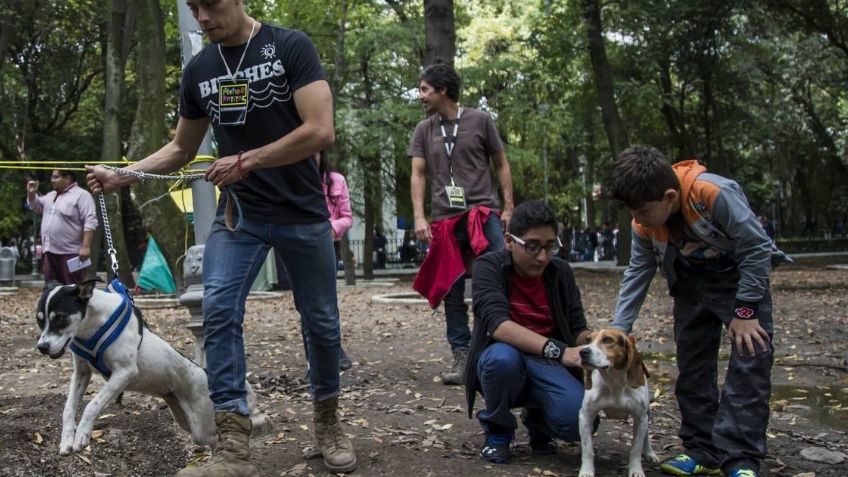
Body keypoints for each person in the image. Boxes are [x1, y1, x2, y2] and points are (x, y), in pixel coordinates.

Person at [86, 1, 356, 475]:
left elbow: (320, 130)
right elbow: (180, 148)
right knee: (218, 310)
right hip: (240, 217)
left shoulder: (290, 46)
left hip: (302, 214)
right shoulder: (201, 69)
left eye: (210, 4)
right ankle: (233, 447)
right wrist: (122, 175)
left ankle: (328, 421)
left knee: (322, 325)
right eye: (194, 7)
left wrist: (246, 160)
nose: (203, 16)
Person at [607, 146, 787, 477]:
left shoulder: (712, 193)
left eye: (643, 211)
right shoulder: (644, 224)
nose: (638, 219)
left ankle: (741, 456)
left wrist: (745, 311)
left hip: (740, 279)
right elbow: (639, 270)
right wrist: (620, 326)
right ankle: (703, 449)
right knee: (692, 364)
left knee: (750, 361)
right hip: (689, 281)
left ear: (670, 196)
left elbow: (757, 247)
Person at [409, 62, 515, 385]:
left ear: (443, 90)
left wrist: (509, 207)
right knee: (451, 291)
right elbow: (417, 174)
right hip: (444, 218)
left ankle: (501, 345)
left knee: (500, 278)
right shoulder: (424, 130)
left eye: (425, 89)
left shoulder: (481, 120)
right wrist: (419, 216)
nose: (421, 95)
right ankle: (462, 356)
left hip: (482, 214)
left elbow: (501, 164)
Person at [465, 200, 592, 463]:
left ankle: (539, 421)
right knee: (501, 360)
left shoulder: (560, 272)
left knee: (579, 422)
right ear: (510, 241)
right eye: (532, 246)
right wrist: (561, 351)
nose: (543, 256)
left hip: (547, 363)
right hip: (505, 356)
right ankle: (498, 431)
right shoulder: (488, 266)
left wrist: (599, 343)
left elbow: (577, 327)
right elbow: (498, 325)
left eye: (550, 246)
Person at [302, 152, 353, 374]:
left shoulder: (337, 180)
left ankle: (333, 352)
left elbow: (347, 217)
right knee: (305, 303)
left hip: (326, 245)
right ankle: (313, 360)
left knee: (325, 302)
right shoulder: (293, 182)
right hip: (299, 246)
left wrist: (330, 228)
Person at [26, 169, 97, 284]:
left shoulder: (82, 195)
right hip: (49, 253)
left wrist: (85, 246)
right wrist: (31, 193)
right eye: (52, 177)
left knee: (73, 289)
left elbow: (90, 221)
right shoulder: (50, 195)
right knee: (51, 289)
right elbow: (36, 206)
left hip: (72, 254)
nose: (52, 180)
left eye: (56, 177)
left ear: (67, 178)